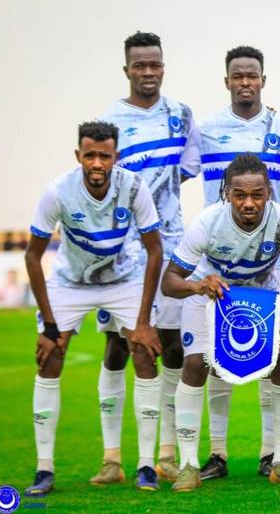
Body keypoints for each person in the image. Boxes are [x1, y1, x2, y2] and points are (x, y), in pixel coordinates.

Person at [23, 121, 163, 495]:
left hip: (123, 278)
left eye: (105, 156)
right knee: (50, 355)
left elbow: (155, 251)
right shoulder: (57, 191)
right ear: (78, 156)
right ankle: (44, 469)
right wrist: (49, 325)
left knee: (143, 352)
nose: (97, 163)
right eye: (90, 156)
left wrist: (143, 321)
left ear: (116, 157)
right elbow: (33, 257)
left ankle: (146, 465)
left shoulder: (134, 186)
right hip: (71, 281)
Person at [162, 154, 280, 490]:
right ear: (226, 193)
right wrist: (198, 285)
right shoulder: (207, 223)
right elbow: (169, 282)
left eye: (257, 195)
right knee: (195, 364)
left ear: (269, 192)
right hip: (209, 293)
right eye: (240, 195)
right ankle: (188, 465)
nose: (248, 203)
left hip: (260, 293)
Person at [92, 31, 201, 484]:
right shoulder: (110, 119)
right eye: (140, 65)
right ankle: (112, 458)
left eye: (154, 64)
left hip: (171, 244)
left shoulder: (181, 115)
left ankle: (168, 454)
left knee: (173, 343)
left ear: (163, 67)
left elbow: (188, 169)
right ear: (127, 70)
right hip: (123, 251)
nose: (148, 72)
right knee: (119, 345)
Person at [196, 45, 280, 480]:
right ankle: (217, 455)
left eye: (252, 75)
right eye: (238, 75)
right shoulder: (205, 128)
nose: (246, 81)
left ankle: (271, 454)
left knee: (273, 352)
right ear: (227, 81)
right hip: (219, 256)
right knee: (216, 355)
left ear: (263, 79)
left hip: (271, 256)